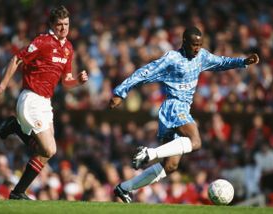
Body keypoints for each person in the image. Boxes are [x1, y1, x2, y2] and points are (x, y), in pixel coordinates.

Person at [109, 26, 259, 203]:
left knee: (171, 166)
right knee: (196, 142)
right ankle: (148, 153)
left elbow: (221, 62)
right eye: (194, 44)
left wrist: (243, 62)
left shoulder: (201, 56)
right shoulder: (172, 58)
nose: (197, 48)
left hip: (180, 110)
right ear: (185, 42)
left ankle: (124, 188)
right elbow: (145, 72)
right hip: (174, 107)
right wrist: (121, 92)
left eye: (200, 44)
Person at [0, 5, 88, 200]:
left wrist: (78, 81)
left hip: (46, 103)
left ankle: (18, 191)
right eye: (60, 25)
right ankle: (17, 191)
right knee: (49, 149)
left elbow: (66, 80)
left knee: (45, 152)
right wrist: (1, 87)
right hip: (31, 98)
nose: (64, 28)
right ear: (52, 25)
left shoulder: (68, 48)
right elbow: (16, 60)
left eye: (66, 24)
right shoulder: (43, 41)